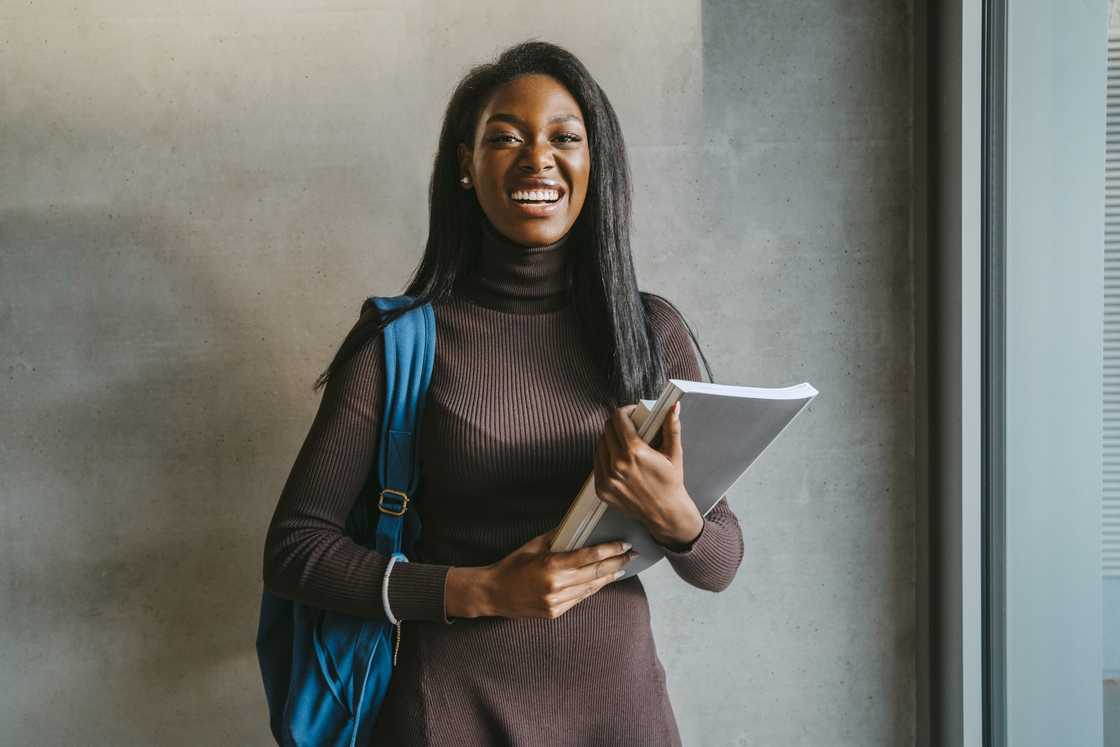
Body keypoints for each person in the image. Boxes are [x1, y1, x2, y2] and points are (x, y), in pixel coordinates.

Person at [262, 39, 744, 746]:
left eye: (564, 137)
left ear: (593, 162)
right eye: (505, 137)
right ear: (466, 165)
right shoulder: (398, 342)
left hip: (620, 715)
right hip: (450, 713)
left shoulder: (649, 331)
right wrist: (478, 589)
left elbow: (723, 560)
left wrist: (680, 519)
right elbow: (294, 550)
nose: (537, 158)